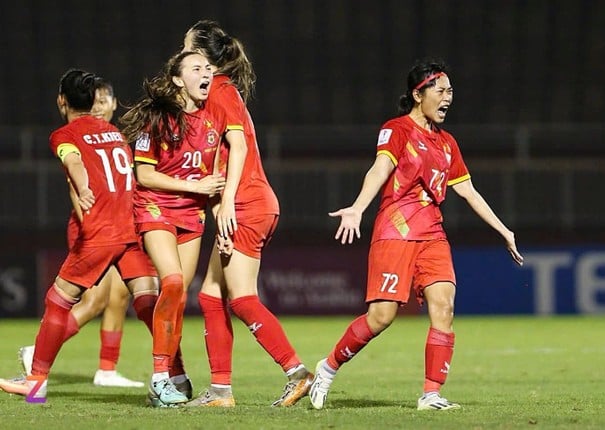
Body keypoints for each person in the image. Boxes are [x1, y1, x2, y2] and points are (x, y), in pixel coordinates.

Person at [308, 59, 524, 411]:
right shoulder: (397, 130)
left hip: (433, 235)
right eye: (440, 90)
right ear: (417, 94)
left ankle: (431, 394)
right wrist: (358, 207)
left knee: (445, 306)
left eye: (450, 91)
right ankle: (328, 367)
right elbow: (380, 169)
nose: (447, 97)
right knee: (382, 317)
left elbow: (468, 191)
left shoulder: (448, 143)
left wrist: (504, 230)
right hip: (396, 231)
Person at [0, 69, 159, 403]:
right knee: (147, 304)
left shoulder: (64, 134)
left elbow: (73, 161)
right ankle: (174, 377)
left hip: (99, 231)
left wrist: (83, 186)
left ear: (62, 100)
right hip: (129, 230)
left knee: (57, 301)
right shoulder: (115, 133)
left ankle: (36, 381)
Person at [180, 20, 313, 408]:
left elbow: (237, 147)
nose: (184, 53)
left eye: (188, 47)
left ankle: (297, 372)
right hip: (245, 203)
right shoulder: (217, 94)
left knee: (240, 299)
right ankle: (221, 390)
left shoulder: (220, 91)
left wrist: (227, 206)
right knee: (209, 296)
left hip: (248, 204)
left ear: (203, 56)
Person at [119, 50, 224, 407]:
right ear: (178, 79)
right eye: (196, 68)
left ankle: (175, 371)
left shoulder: (213, 120)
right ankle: (160, 379)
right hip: (155, 207)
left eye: (208, 68)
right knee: (174, 281)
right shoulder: (157, 119)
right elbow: (144, 174)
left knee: (176, 299)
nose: (205, 73)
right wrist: (197, 186)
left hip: (191, 215)